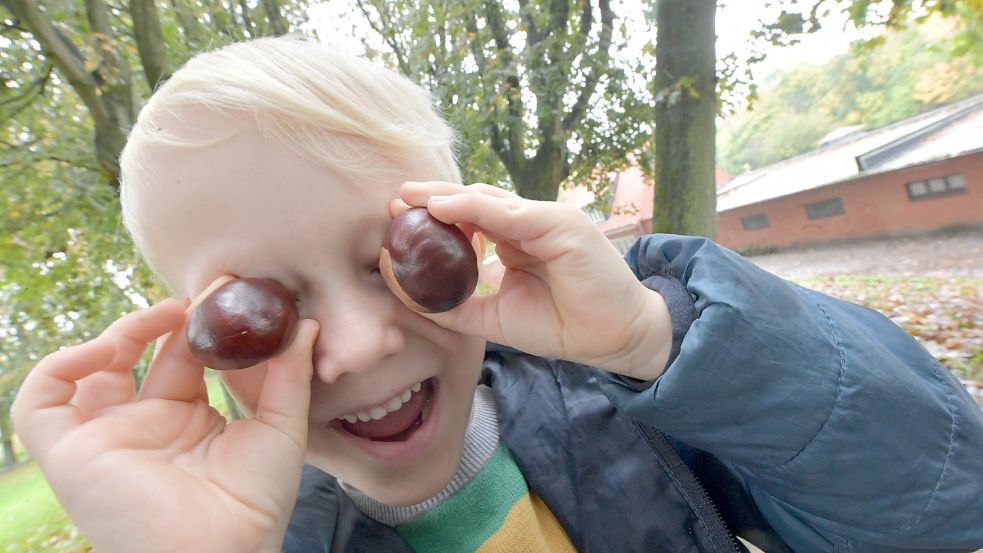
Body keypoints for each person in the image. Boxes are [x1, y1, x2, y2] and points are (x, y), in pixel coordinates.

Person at [11, 36, 983, 553]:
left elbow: (942, 508)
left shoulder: (636, 407)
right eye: (261, 308)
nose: (352, 348)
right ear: (194, 342)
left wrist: (659, 339)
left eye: (392, 254)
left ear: (473, 228)